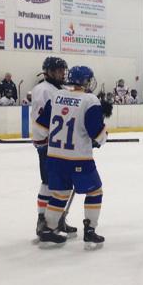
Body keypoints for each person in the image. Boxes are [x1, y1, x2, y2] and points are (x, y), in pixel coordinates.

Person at [39, 66, 107, 250]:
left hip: (54, 157)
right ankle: (90, 231)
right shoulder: (89, 99)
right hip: (79, 159)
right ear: (85, 81)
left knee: (59, 194)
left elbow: (41, 126)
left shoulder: (56, 95)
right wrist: (101, 138)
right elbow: (97, 134)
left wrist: (41, 143)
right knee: (95, 192)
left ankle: (49, 229)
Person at [29, 57, 76, 240]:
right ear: (48, 71)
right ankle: (43, 222)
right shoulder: (42, 90)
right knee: (48, 183)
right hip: (48, 145)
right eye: (58, 70)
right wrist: (42, 141)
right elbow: (40, 119)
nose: (62, 73)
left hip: (64, 145)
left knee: (64, 184)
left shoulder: (63, 89)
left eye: (63, 70)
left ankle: (56, 219)